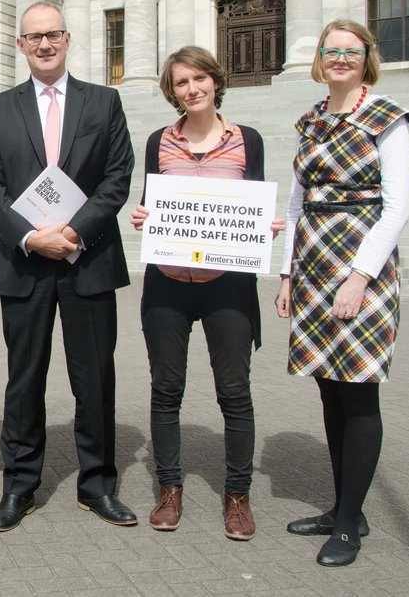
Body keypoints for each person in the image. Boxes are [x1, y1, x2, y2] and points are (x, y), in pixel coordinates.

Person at [0, 1, 136, 532]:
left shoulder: (104, 101)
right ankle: (19, 487)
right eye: (34, 37)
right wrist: (29, 236)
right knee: (24, 380)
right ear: (20, 46)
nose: (44, 44)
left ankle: (98, 485)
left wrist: (72, 232)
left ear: (67, 39)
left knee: (95, 379)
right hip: (24, 263)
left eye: (52, 35)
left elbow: (117, 175)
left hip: (87, 259)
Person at [130, 46, 284, 541]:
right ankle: (169, 489)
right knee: (165, 390)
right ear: (171, 92)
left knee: (234, 392)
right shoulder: (159, 141)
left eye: (199, 78)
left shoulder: (247, 140)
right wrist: (144, 216)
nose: (192, 89)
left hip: (228, 286)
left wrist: (264, 226)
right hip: (168, 283)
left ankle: (237, 496)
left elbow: (253, 201)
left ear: (216, 82)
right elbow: (152, 203)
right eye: (181, 82)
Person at [275, 20, 409, 567]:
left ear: (366, 58)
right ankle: (341, 507)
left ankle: (350, 524)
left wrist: (359, 277)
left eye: (351, 52)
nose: (340, 59)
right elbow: (295, 203)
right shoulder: (310, 120)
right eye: (331, 50)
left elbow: (396, 207)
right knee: (329, 388)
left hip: (361, 268)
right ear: (320, 58)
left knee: (357, 392)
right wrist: (287, 275)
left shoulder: (386, 117)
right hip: (313, 262)